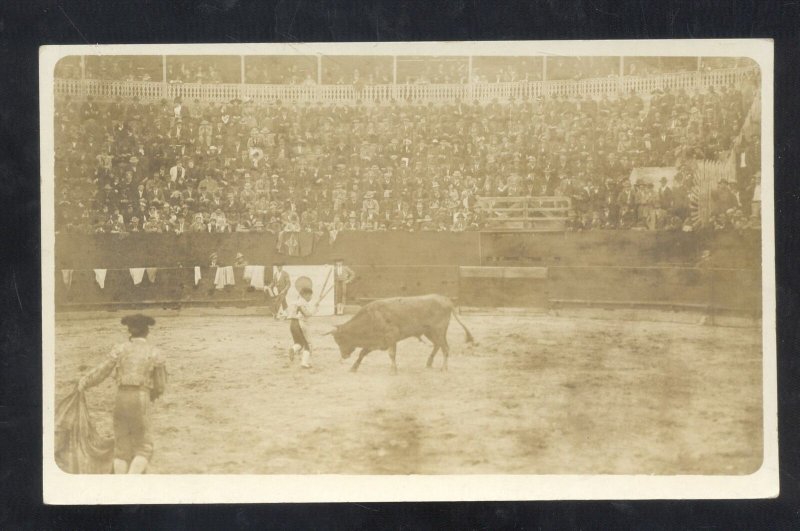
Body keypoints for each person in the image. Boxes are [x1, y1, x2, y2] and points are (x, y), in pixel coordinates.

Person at [77, 314, 167, 474]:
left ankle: (119, 485)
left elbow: (102, 371)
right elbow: (160, 385)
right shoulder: (154, 352)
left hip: (121, 397)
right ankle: (130, 484)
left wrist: (84, 382)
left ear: (129, 332)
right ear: (147, 332)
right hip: (141, 397)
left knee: (122, 449)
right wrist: (151, 395)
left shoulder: (120, 349)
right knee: (144, 447)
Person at [286, 286, 319, 369]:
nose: (310, 297)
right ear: (305, 295)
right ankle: (304, 363)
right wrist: (316, 307)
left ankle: (293, 349)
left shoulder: (295, 302)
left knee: (299, 343)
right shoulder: (301, 303)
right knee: (307, 344)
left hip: (292, 324)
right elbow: (307, 314)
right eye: (310, 295)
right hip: (300, 324)